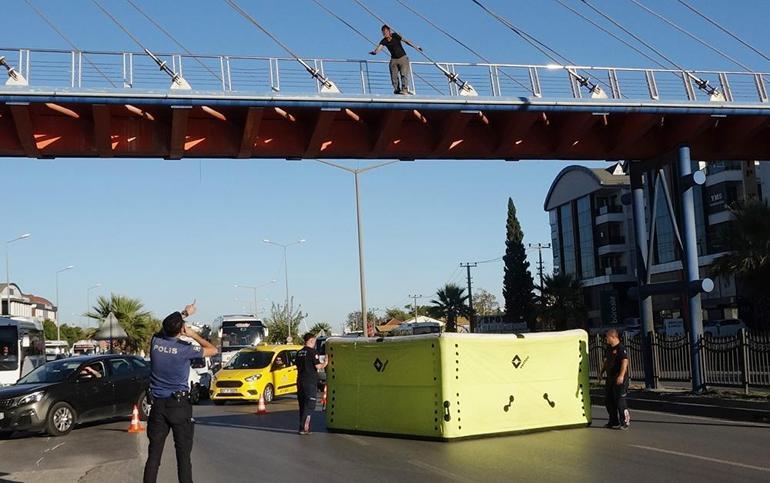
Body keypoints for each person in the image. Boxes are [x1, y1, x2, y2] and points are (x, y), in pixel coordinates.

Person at [143, 301, 218, 483]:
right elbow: (213, 350)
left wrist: (184, 314)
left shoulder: (155, 342)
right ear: (181, 330)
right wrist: (192, 334)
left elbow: (166, 327)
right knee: (183, 457)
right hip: (179, 406)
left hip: (158, 407)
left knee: (154, 458)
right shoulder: (185, 349)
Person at [369, 25, 422, 95]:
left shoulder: (395, 36)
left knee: (404, 74)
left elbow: (406, 41)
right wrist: (375, 52)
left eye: (386, 32)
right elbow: (379, 48)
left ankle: (404, 90)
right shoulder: (384, 40)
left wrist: (416, 46)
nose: (385, 33)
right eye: (383, 32)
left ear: (389, 31)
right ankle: (397, 89)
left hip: (403, 58)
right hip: (394, 59)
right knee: (393, 75)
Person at [294, 332, 327, 435]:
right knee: (310, 406)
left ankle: (301, 427)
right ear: (311, 341)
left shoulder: (299, 353)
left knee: (302, 405)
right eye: (314, 341)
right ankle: (305, 428)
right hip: (310, 382)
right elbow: (318, 366)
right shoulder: (313, 352)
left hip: (300, 381)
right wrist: (326, 362)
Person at [600, 329, 630, 430]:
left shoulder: (621, 348)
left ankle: (625, 421)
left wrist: (621, 376)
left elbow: (625, 362)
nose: (606, 339)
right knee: (608, 400)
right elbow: (606, 361)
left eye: (607, 337)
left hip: (620, 379)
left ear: (613, 337)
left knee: (620, 401)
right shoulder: (608, 348)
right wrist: (601, 372)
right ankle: (613, 421)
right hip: (610, 378)